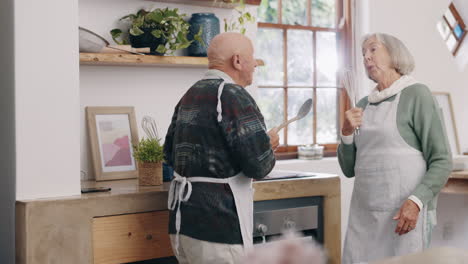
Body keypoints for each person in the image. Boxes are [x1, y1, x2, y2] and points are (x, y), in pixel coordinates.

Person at [163, 32, 279, 264]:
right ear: (237, 60)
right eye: (252, 57)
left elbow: (169, 153)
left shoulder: (190, 94)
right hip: (220, 227)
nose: (255, 63)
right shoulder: (233, 95)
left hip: (184, 226)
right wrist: (268, 144)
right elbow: (259, 165)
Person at [338, 33, 452, 263]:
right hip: (364, 219)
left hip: (403, 217)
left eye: (372, 50)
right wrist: (346, 134)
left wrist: (417, 201)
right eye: (363, 54)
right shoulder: (362, 105)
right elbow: (350, 169)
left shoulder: (417, 94)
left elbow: (441, 160)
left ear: (393, 54)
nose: (366, 58)